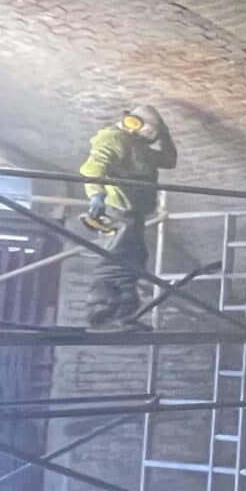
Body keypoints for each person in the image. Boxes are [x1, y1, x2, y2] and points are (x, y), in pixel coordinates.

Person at [77, 105, 176, 329]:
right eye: (151, 131)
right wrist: (96, 195)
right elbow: (93, 170)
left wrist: (166, 134)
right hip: (117, 209)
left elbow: (169, 161)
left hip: (134, 212)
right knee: (116, 260)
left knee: (133, 259)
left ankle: (122, 314)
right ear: (134, 123)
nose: (151, 137)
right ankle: (101, 309)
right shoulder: (112, 139)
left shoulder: (138, 147)